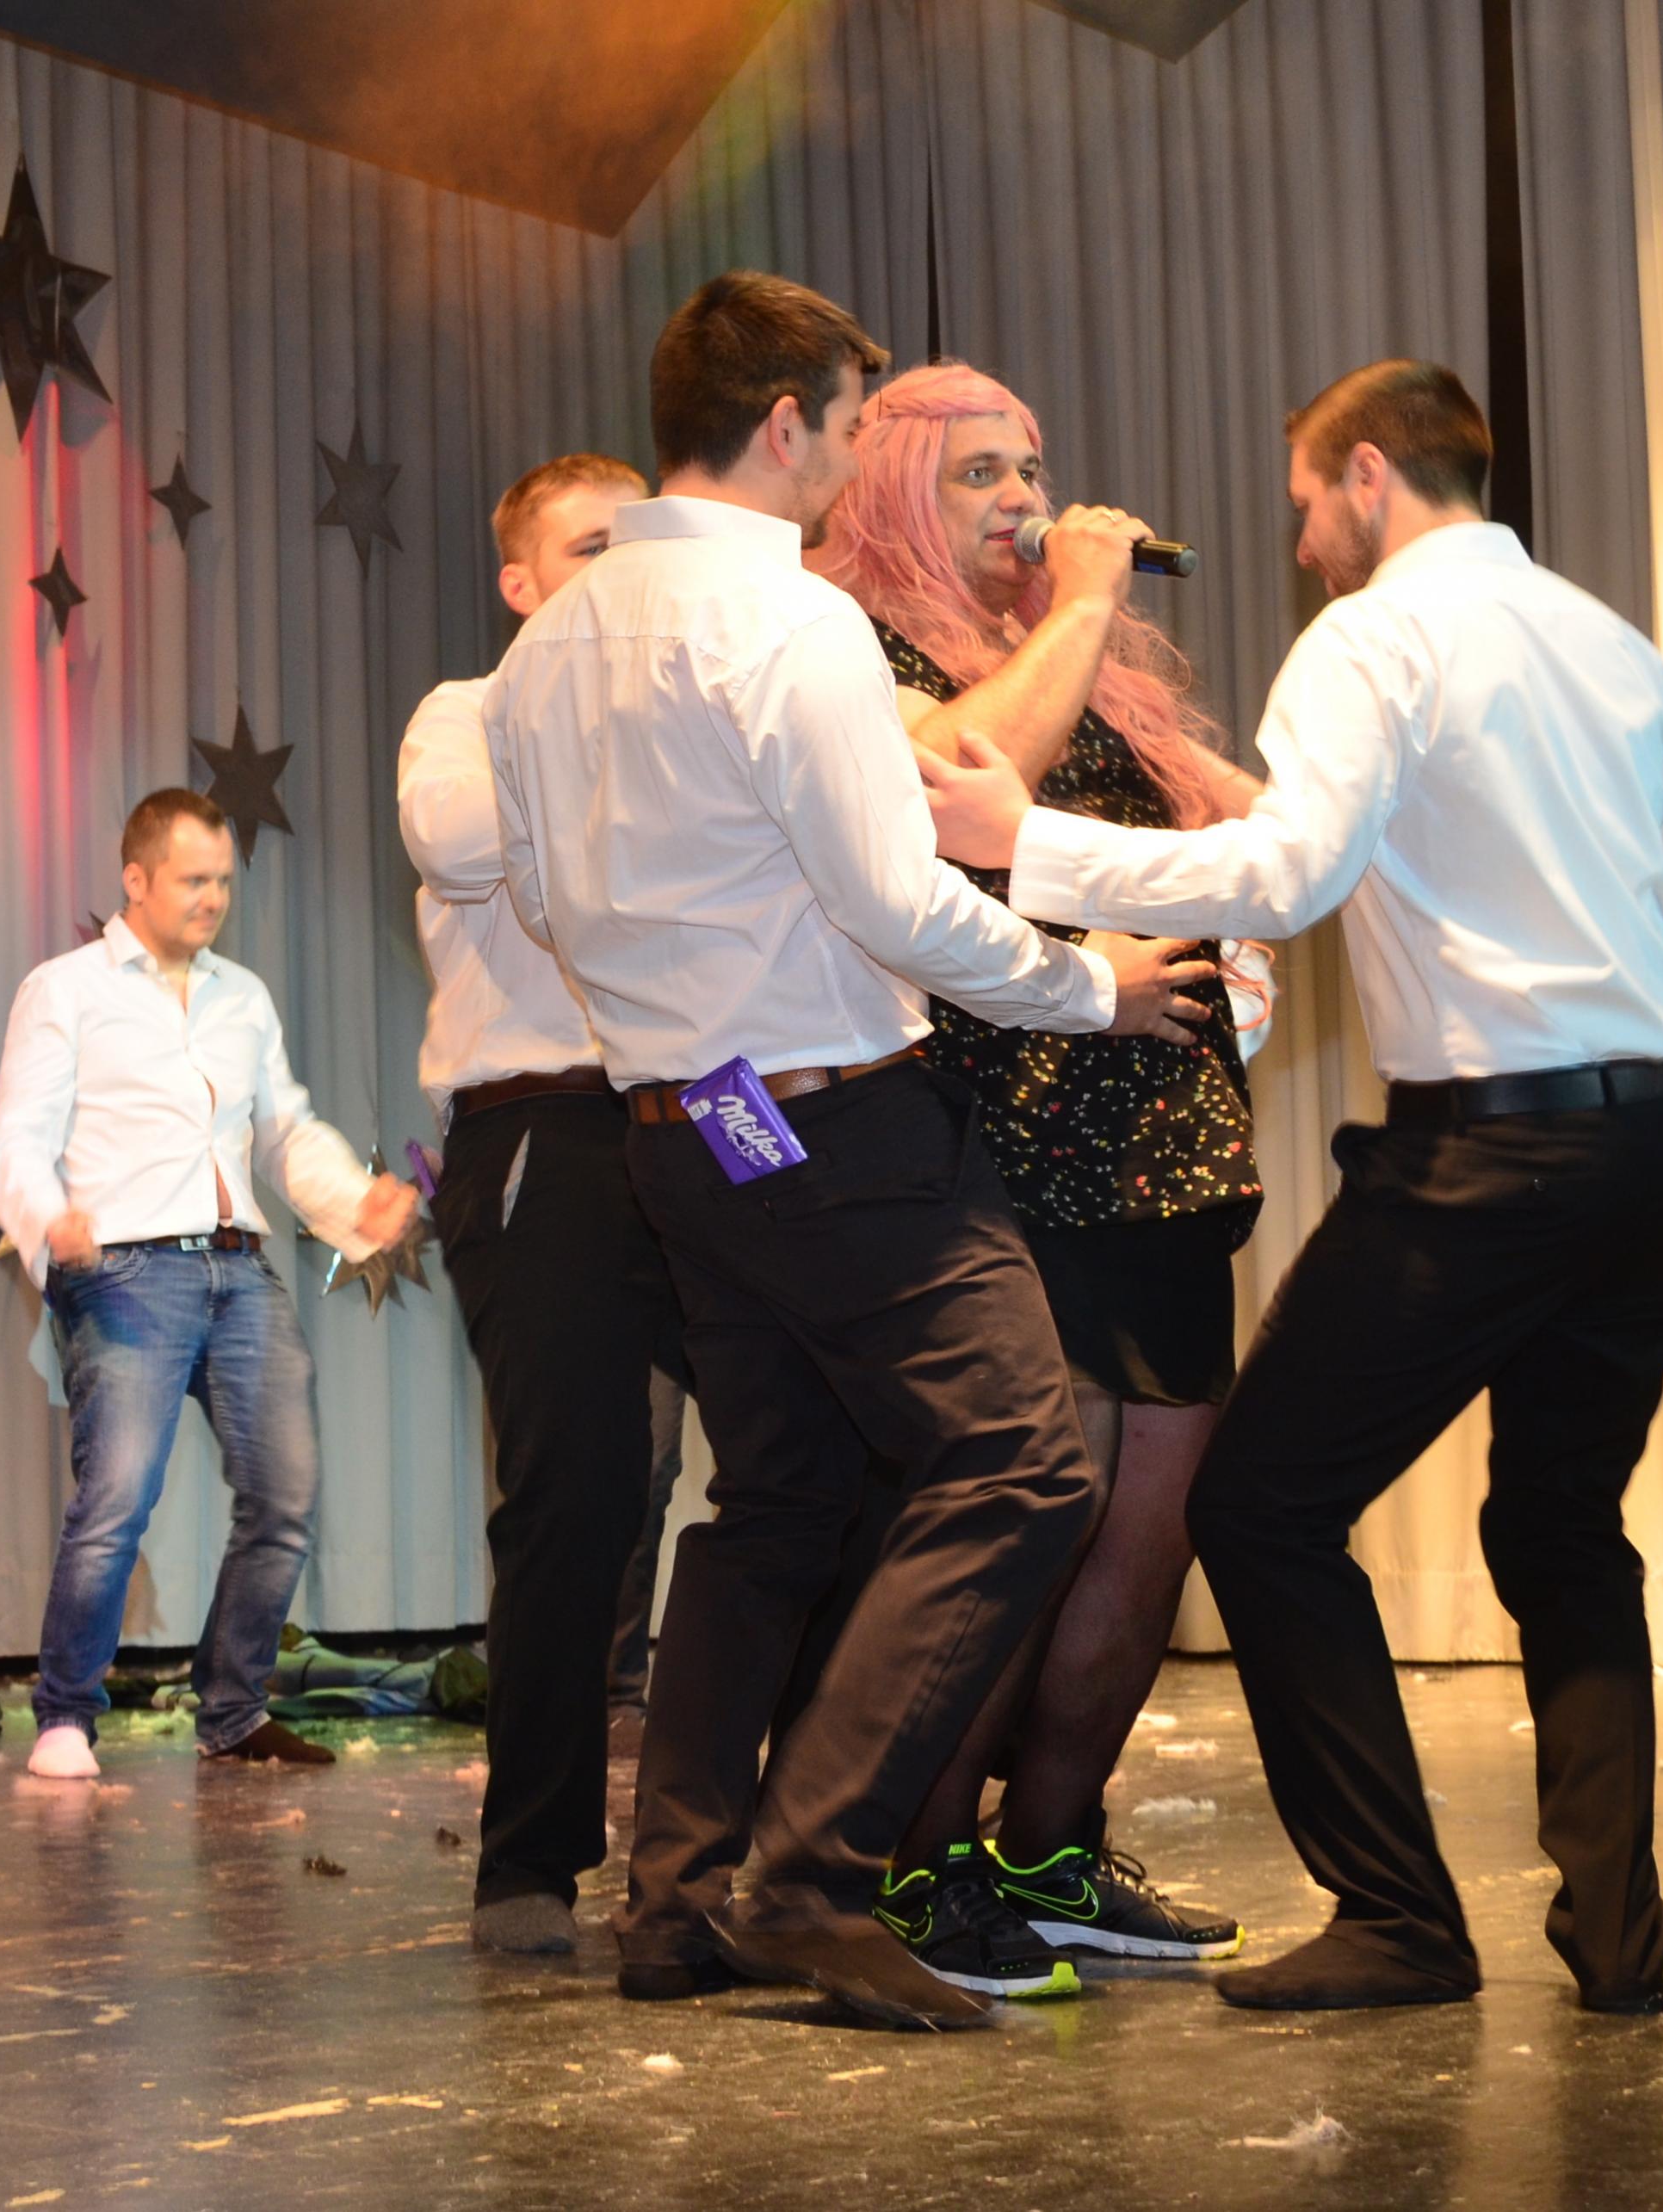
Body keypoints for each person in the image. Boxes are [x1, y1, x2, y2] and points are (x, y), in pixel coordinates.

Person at [926, 361, 1663, 2017]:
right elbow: (1504, 862)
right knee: (1564, 1528)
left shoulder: (1375, 636)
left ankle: (1400, 1919)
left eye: (1305, 502)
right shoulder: (1612, 645)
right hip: (1658, 1142)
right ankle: (1620, 1943)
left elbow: (1289, 874)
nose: (1299, 544)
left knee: (1260, 1504)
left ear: (1369, 474)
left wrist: (1028, 843)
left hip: (1494, 1151)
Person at [485, 271, 1215, 2028]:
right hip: (828, 1117)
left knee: (777, 1500)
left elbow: (542, 903)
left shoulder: (540, 652)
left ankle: (674, 1905)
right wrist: (1089, 989)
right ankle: (812, 1876)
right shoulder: (790, 622)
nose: (847, 460)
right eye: (843, 424)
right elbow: (897, 899)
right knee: (1022, 1461)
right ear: (784, 424)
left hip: (689, 1126)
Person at [807, 362, 1258, 1974]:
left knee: (1154, 1521)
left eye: (1033, 468)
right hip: (1005, 1133)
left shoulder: (1089, 669)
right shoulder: (849, 644)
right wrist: (1079, 601)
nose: (1023, 500)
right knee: (1031, 1517)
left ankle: (1055, 1844)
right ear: (889, 487)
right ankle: (919, 1863)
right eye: (980, 473)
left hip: (1164, 1143)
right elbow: (942, 794)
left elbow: (1247, 837)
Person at [399, 452, 695, 1954]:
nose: (621, 568)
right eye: (589, 548)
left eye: (639, 542)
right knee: (580, 1494)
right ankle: (530, 1861)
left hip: (719, 1104)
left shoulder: (699, 710)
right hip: (548, 1121)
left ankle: (744, 1848)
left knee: (823, 1442)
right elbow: (461, 841)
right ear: (520, 584)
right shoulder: (468, 711)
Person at [0, 788, 419, 1779]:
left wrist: (356, 1202)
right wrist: (47, 1218)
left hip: (239, 1267)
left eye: (223, 879)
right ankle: (65, 1715)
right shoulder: (66, 990)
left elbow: (283, 1131)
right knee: (117, 1497)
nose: (213, 897)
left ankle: (232, 1710)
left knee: (284, 1494)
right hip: (124, 1269)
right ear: (135, 879)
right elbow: (17, 1136)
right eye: (192, 879)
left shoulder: (242, 996)